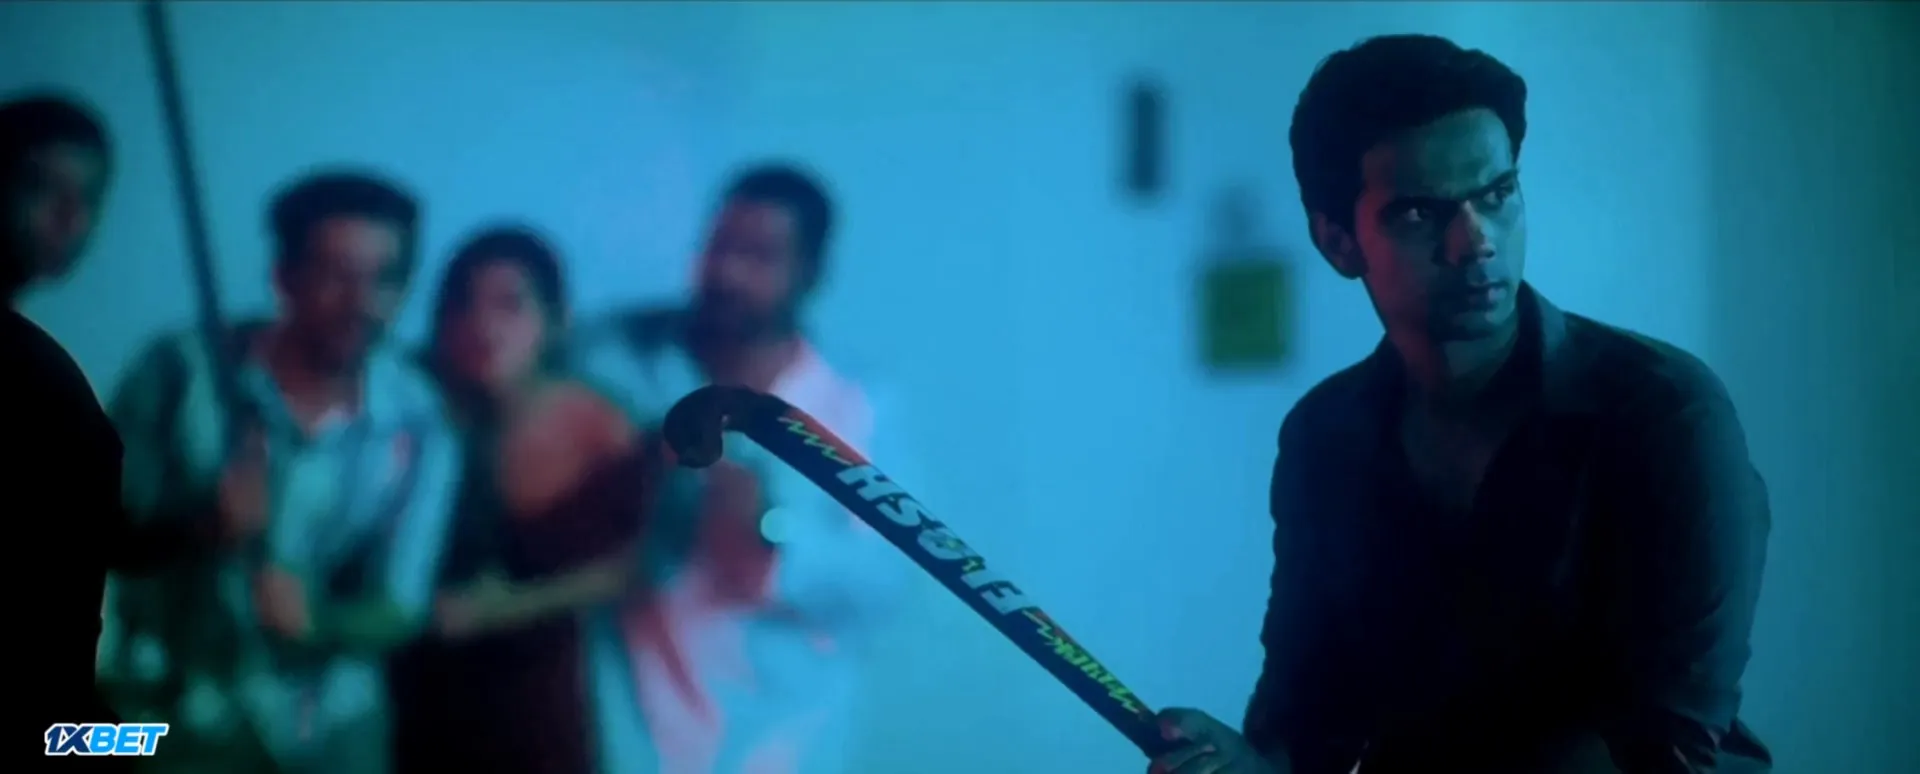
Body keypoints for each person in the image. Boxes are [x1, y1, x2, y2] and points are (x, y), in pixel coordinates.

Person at [1148, 35, 1772, 774]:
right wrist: (1243, 763)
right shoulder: (1326, 436)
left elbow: (1672, 743)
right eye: (1420, 213)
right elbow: (1307, 718)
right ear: (1339, 242)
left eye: (1497, 195)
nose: (1475, 242)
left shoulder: (1662, 415)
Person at [104, 170, 458, 774]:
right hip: (168, 715)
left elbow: (403, 603)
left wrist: (316, 621)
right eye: (334, 274)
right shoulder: (176, 372)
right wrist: (200, 526)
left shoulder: (421, 418)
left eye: (385, 279)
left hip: (333, 723)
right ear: (283, 277)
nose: (361, 302)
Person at [574, 163, 909, 774]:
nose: (727, 271)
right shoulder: (619, 360)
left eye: (758, 255)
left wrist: (766, 528)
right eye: (719, 246)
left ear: (810, 273)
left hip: (786, 744)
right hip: (629, 732)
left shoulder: (855, 404)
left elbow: (882, 583)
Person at [389, 225, 654, 774]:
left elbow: (639, 563)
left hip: (535, 701)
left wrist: (511, 606)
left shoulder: (595, 425)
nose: (483, 326)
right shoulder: (408, 406)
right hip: (414, 693)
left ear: (554, 321)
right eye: (465, 305)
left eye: (510, 305)